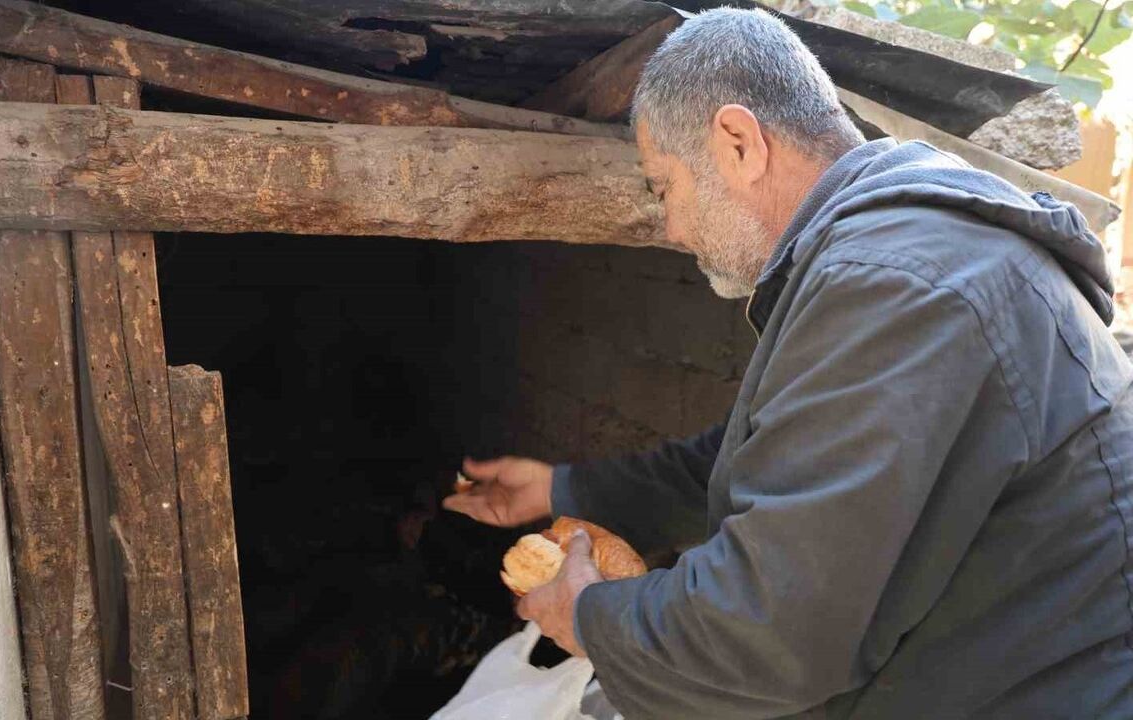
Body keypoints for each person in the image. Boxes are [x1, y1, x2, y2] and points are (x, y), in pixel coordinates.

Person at [443, 8, 1133, 719]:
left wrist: (588, 617)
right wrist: (565, 489)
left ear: (738, 141)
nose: (671, 228)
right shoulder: (900, 255)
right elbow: (765, 460)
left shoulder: (898, 284)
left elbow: (768, 634)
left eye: (662, 188)